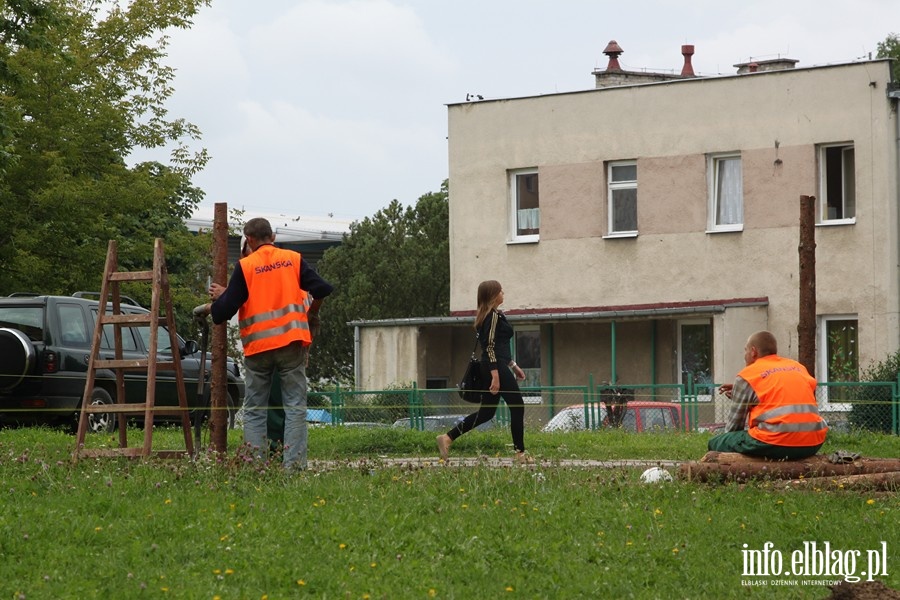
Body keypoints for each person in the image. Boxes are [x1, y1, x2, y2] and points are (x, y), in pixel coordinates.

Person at [202, 217, 333, 471]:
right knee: (295, 407)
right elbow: (323, 289)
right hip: (290, 345)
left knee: (255, 410)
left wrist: (221, 299)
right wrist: (312, 315)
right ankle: (293, 469)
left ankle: (255, 468)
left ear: (249, 240)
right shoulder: (293, 259)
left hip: (258, 349)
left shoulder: (246, 266)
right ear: (272, 237)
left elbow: (222, 313)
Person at [436, 280, 531, 464]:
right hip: (494, 367)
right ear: (493, 296)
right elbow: (489, 347)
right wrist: (496, 375)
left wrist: (513, 365)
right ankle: (520, 453)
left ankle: (447, 438)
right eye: (500, 290)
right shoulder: (493, 317)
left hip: (495, 365)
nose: (504, 292)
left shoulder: (490, 315)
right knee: (517, 406)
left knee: (487, 413)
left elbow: (500, 346)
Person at [707, 330, 827, 460]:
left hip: (775, 443)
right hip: (813, 442)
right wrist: (743, 393)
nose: (745, 355)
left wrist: (740, 397)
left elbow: (734, 427)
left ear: (753, 351)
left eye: (745, 350)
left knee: (717, 442)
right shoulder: (798, 367)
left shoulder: (748, 375)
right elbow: (784, 395)